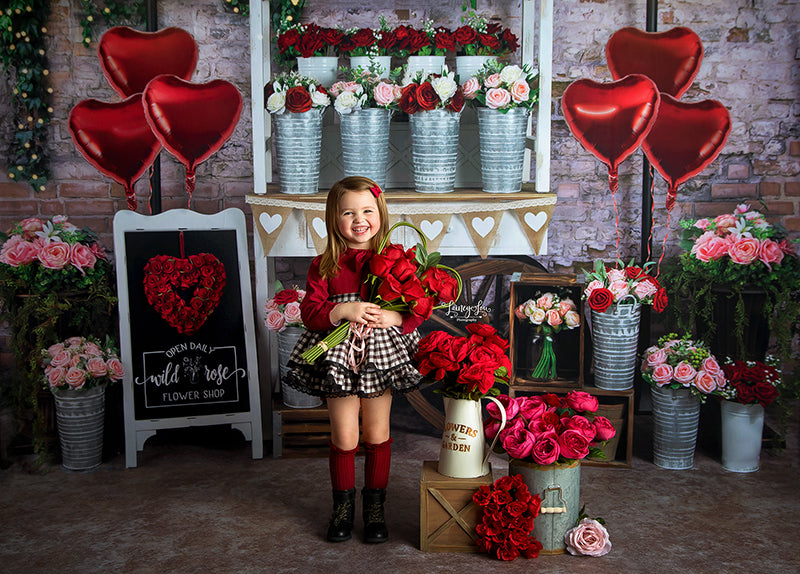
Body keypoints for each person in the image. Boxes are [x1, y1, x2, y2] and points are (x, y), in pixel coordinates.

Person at [284, 176, 423, 544]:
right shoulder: (324, 264)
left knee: (377, 433)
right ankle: (342, 508)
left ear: (380, 214)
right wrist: (343, 309)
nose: (359, 219)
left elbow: (418, 306)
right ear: (335, 219)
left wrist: (395, 318)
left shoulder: (395, 260)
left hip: (379, 357)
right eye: (348, 212)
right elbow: (311, 312)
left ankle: (375, 509)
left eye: (367, 211)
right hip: (338, 359)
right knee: (345, 435)